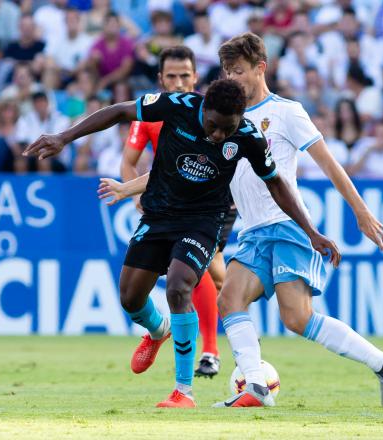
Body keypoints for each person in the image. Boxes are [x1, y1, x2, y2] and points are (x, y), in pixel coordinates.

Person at [101, 33, 383, 408]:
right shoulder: (224, 116)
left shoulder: (286, 112)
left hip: (286, 226)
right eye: (227, 70)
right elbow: (174, 171)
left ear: (260, 68)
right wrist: (127, 189)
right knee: (229, 300)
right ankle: (256, 388)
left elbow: (328, 164)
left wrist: (360, 210)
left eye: (239, 70)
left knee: (297, 318)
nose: (231, 77)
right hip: (254, 229)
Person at [23, 78, 339, 408]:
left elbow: (277, 184)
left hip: (204, 221)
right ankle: (159, 330)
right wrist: (63, 136)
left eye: (226, 130)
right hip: (159, 214)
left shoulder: (248, 136)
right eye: (213, 126)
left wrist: (310, 231)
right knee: (130, 297)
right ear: (204, 109)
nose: (218, 135)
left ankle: (183, 392)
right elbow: (119, 111)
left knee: (178, 286)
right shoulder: (178, 105)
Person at [120, 46, 228, 378]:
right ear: (160, 79)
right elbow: (128, 161)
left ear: (196, 77)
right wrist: (133, 195)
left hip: (211, 202)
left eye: (185, 76)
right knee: (206, 275)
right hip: (168, 201)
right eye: (172, 76)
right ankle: (203, 346)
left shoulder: (213, 113)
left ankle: (209, 351)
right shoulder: (152, 111)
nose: (179, 82)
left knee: (206, 275)